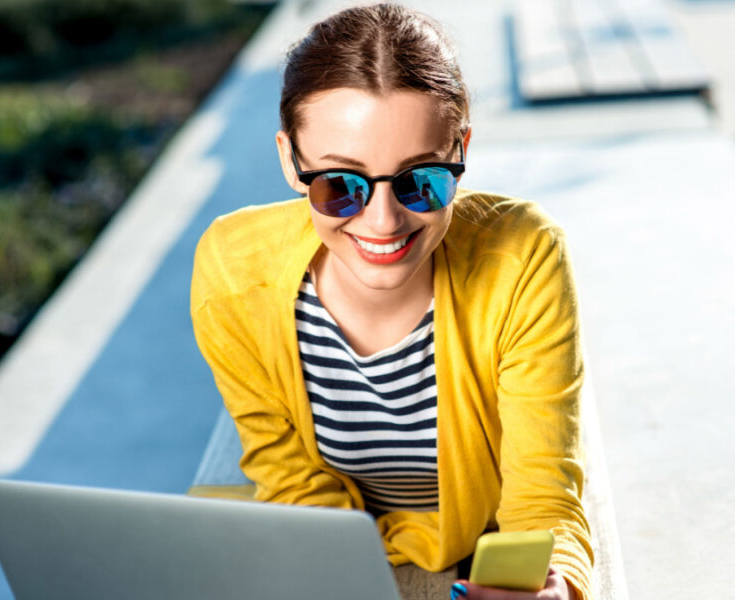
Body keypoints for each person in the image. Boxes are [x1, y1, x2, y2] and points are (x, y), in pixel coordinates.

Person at [190, 4, 594, 599]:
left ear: (461, 150)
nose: (383, 222)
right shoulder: (233, 269)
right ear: (288, 159)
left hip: (482, 546)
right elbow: (288, 474)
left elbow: (540, 494)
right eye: (339, 185)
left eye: (421, 179)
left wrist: (553, 588)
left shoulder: (523, 256)